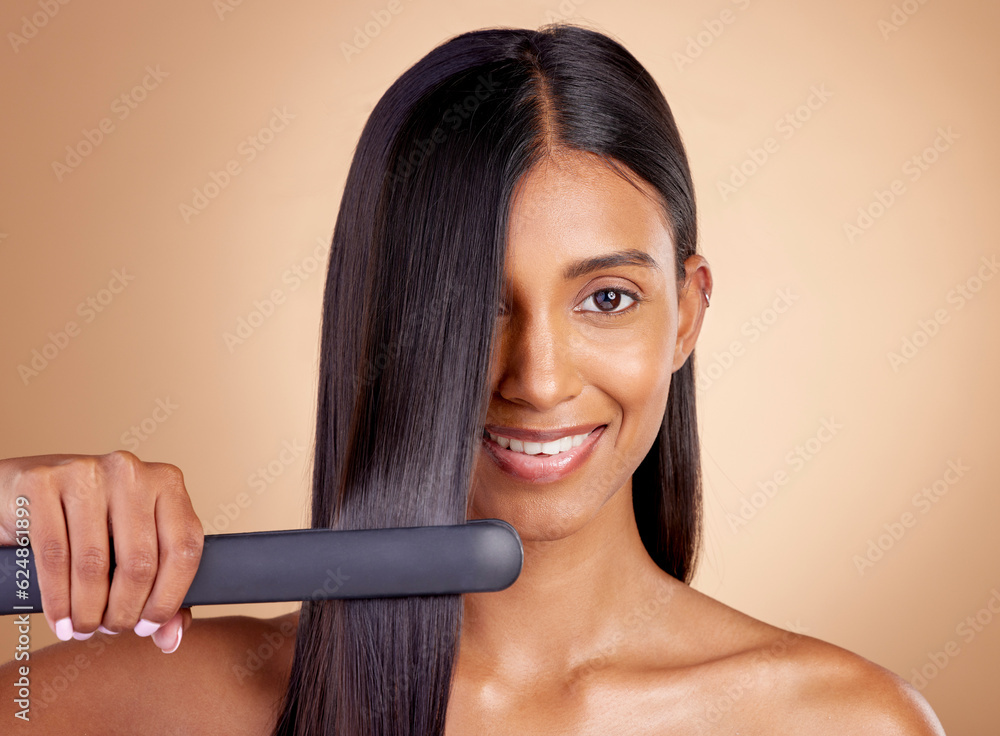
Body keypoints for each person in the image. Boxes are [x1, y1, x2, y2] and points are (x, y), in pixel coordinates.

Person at [0, 23, 945, 735]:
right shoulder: (143, 703)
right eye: (474, 305)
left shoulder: (843, 721)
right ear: (378, 322)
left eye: (606, 299)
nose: (536, 378)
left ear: (688, 312)